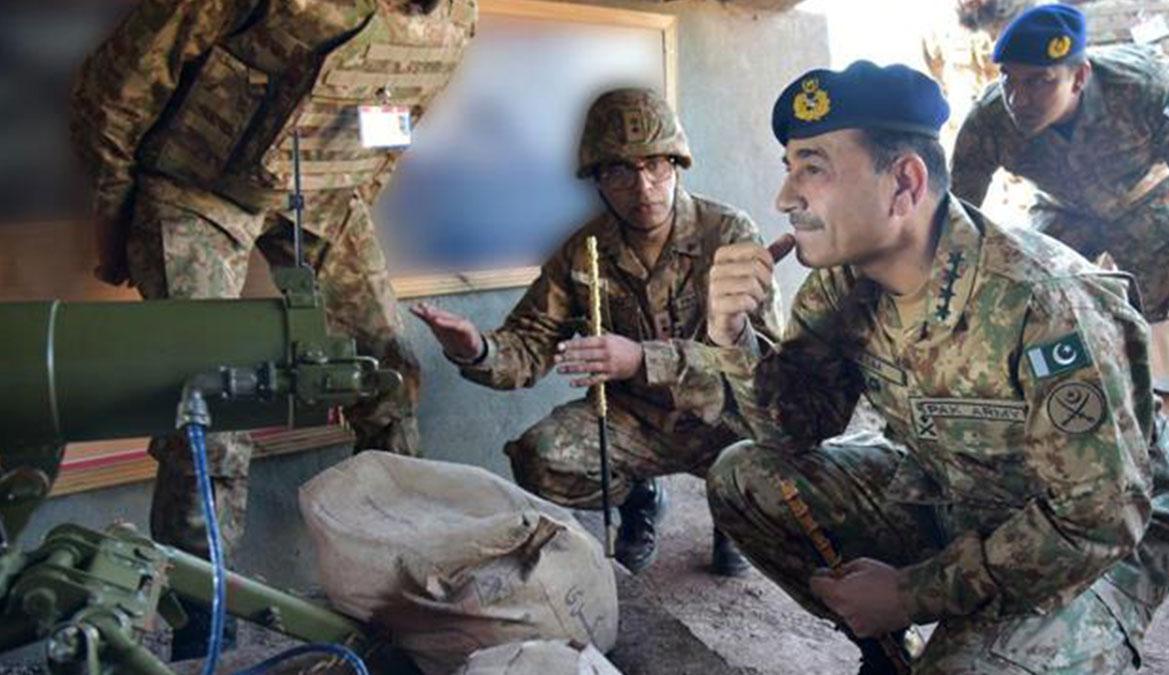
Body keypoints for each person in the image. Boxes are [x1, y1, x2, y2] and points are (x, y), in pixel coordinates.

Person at [703, 60, 1169, 673]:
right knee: (745, 477)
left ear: (905, 183)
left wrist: (911, 594)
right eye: (789, 168)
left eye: (814, 168)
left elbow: (1098, 520)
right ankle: (890, 653)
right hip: (953, 488)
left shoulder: (1045, 302)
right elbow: (792, 432)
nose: (785, 197)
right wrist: (733, 337)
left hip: (1099, 541)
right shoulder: (840, 286)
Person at [70, 0, 475, 658]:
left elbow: (401, 117)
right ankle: (202, 616)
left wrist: (349, 191)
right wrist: (118, 209)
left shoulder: (458, 17)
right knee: (209, 403)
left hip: (322, 192)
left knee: (388, 372)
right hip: (196, 189)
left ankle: (395, 578)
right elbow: (117, 85)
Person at [411, 87, 782, 576]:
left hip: (720, 415)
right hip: (631, 419)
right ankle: (639, 499)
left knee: (781, 453)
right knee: (542, 456)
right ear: (598, 180)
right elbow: (530, 342)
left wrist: (643, 359)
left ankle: (731, 513)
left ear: (677, 164)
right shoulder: (582, 250)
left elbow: (766, 361)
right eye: (620, 171)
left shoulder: (728, 234)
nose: (643, 187)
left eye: (656, 165)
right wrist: (476, 349)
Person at [952, 3, 1169, 320]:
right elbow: (958, 208)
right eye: (1008, 78)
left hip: (1144, 202)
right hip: (1063, 210)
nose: (1017, 99)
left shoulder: (1144, 89)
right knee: (1033, 302)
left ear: (1079, 77)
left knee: (1157, 311)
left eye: (1038, 81)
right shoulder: (990, 119)